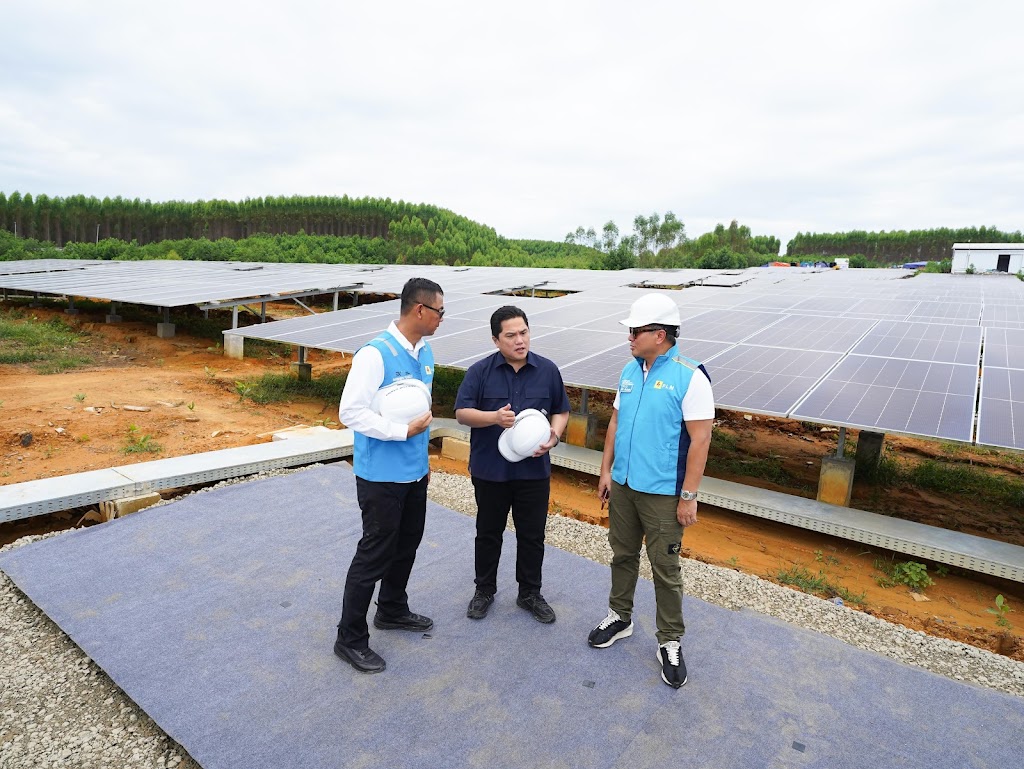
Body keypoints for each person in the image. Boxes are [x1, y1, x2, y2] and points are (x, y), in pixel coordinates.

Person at [588, 293, 714, 689]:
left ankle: (670, 640)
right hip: (624, 486)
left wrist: (689, 496)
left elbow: (701, 440)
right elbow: (615, 423)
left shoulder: (691, 376)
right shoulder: (629, 370)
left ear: (659, 334)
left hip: (663, 494)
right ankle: (620, 616)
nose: (629, 337)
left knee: (665, 568)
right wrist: (606, 471)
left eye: (635, 331)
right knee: (622, 554)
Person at [333, 277, 444, 674]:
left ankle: (392, 608)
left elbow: (419, 411)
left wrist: (423, 463)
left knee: (407, 544)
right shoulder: (374, 355)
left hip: (414, 474)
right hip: (380, 476)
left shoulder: (425, 352)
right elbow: (350, 412)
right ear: (420, 309)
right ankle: (349, 639)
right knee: (374, 554)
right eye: (439, 311)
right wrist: (400, 432)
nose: (442, 318)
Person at [455, 306, 570, 624]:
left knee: (532, 535)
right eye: (511, 335)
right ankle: (484, 591)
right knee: (488, 533)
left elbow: (561, 410)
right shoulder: (479, 372)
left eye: (524, 332)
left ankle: (530, 593)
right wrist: (493, 417)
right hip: (490, 470)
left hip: (533, 472)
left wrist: (555, 435)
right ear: (496, 340)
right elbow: (462, 413)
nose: (520, 340)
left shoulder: (548, 370)